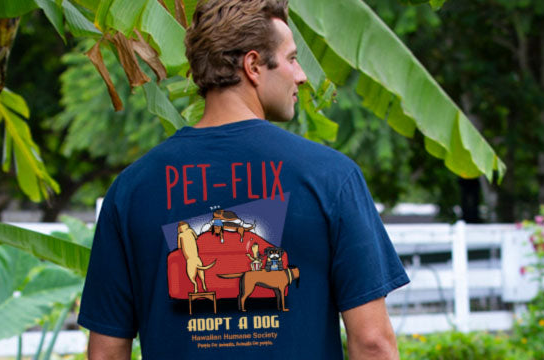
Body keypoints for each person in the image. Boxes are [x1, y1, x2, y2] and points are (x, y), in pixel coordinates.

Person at [79, 0, 407, 358]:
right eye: (292, 58)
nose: (301, 75)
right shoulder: (331, 176)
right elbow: (373, 341)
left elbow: (107, 352)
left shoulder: (131, 189)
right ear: (253, 65)